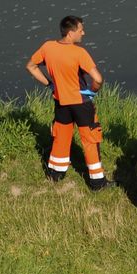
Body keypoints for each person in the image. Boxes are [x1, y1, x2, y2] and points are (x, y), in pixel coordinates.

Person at [25, 15, 111, 191]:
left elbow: (31, 66)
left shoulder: (48, 47)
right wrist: (93, 91)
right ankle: (97, 181)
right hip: (81, 102)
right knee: (90, 138)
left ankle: (55, 172)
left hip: (60, 100)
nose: (83, 33)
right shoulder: (79, 52)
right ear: (71, 33)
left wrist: (50, 84)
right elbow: (98, 79)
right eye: (81, 30)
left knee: (61, 135)